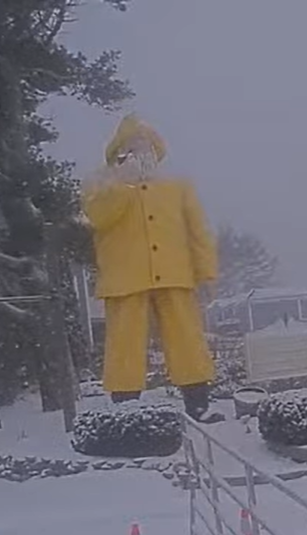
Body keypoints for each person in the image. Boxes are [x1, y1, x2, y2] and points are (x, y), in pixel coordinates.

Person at [82, 113, 224, 422]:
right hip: (124, 277)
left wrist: (207, 271)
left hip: (175, 273)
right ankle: (125, 409)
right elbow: (97, 218)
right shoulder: (100, 183)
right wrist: (122, 184)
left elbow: (197, 230)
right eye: (131, 146)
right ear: (118, 150)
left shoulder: (177, 185)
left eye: (144, 145)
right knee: (124, 345)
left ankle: (199, 406)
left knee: (187, 340)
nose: (139, 151)